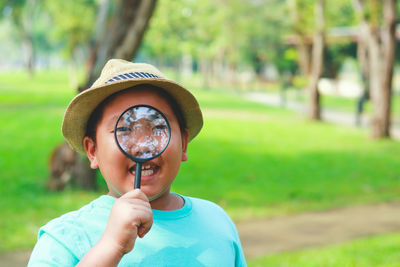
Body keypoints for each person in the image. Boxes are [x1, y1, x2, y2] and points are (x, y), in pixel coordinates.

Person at [28, 59, 247, 266]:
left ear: (184, 144)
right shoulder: (63, 240)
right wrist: (111, 246)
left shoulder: (217, 222)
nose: (143, 145)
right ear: (92, 151)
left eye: (158, 127)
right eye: (124, 130)